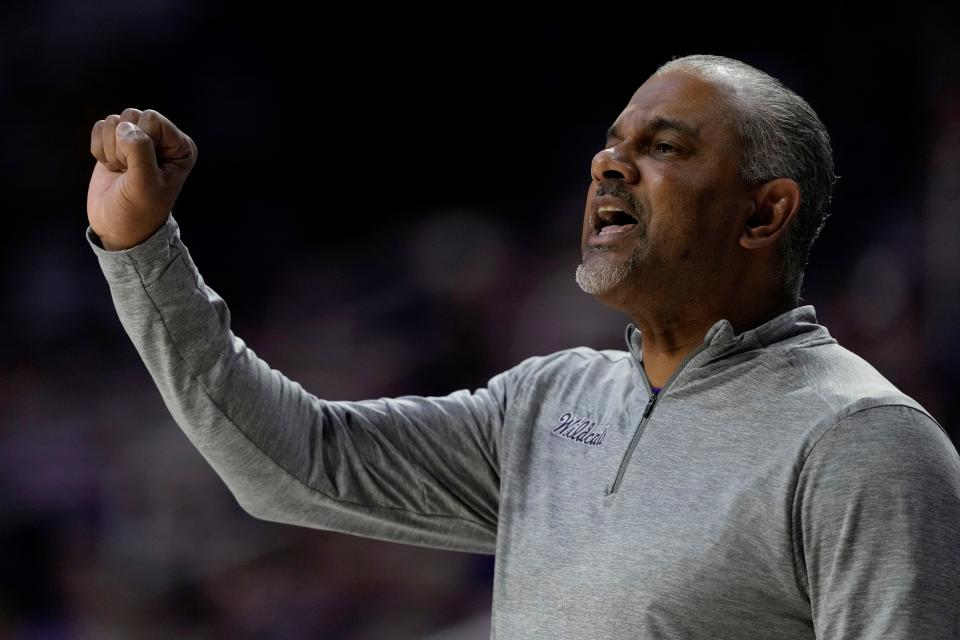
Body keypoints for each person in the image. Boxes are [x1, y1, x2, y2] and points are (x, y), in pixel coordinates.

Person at [85, 54, 960, 639]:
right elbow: (294, 462)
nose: (609, 167)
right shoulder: (550, 403)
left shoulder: (862, 442)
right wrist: (141, 251)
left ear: (765, 212)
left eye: (664, 148)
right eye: (612, 145)